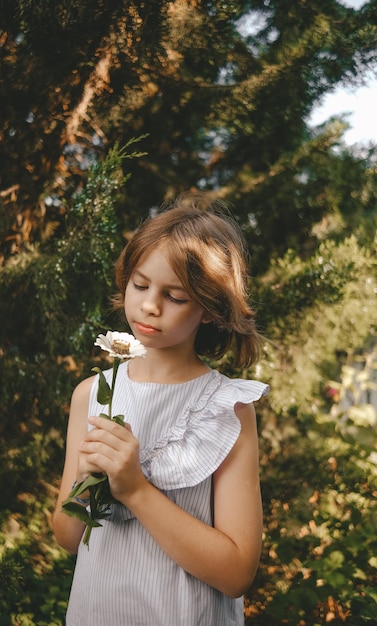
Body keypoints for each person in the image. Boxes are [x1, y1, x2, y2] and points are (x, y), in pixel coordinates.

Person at [53, 192, 269, 626]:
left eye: (175, 296)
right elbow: (69, 537)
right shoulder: (92, 395)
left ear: (209, 308)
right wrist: (87, 479)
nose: (150, 305)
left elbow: (236, 573)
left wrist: (135, 489)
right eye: (140, 285)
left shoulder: (227, 408)